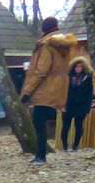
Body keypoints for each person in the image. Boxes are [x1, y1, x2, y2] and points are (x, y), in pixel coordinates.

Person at [21, 17, 76, 164]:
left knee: (38, 121)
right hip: (59, 89)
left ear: (44, 29)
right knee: (48, 118)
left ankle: (41, 155)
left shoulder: (46, 45)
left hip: (44, 89)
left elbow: (41, 71)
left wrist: (27, 91)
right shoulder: (65, 45)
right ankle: (43, 152)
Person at [62, 56, 93, 151]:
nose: (78, 68)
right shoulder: (68, 77)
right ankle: (65, 146)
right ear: (73, 67)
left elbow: (89, 94)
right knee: (65, 126)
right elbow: (63, 91)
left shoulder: (87, 78)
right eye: (76, 66)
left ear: (84, 67)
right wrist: (62, 104)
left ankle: (75, 146)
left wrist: (87, 107)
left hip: (81, 106)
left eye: (80, 66)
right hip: (69, 104)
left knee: (79, 126)